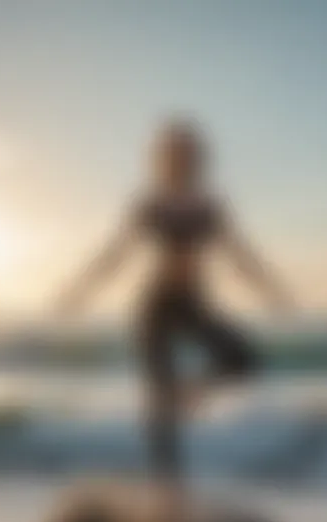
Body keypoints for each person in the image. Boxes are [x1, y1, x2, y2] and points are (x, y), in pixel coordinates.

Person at [56, 119, 293, 480]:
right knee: (158, 407)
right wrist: (79, 290)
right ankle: (167, 489)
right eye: (173, 153)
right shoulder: (150, 205)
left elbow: (240, 255)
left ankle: (188, 392)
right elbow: (115, 254)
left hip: (194, 303)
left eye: (188, 153)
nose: (181, 160)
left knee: (243, 359)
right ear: (161, 159)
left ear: (198, 159)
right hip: (155, 306)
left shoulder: (210, 207)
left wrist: (272, 290)